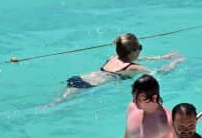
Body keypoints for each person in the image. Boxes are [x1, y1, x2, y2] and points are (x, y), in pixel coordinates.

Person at [47, 33, 181, 106]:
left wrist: (162, 57)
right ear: (133, 53)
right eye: (140, 48)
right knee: (55, 104)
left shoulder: (114, 58)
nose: (140, 51)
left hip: (80, 78)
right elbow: (158, 73)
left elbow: (141, 58)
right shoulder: (134, 67)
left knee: (56, 100)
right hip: (88, 86)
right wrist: (174, 62)